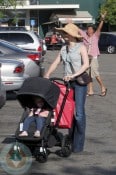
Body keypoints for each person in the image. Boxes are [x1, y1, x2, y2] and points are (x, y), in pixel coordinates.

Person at [44, 23, 89, 153]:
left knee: (79, 114)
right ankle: (72, 139)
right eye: (63, 33)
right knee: (68, 112)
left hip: (79, 83)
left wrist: (73, 75)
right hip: (68, 84)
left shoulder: (81, 48)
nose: (63, 35)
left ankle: (78, 146)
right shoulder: (63, 49)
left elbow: (86, 65)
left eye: (65, 33)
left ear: (72, 36)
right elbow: (56, 63)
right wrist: (47, 74)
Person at [78, 12, 107, 96]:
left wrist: (102, 19)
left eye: (90, 29)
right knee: (88, 75)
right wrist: (70, 23)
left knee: (95, 73)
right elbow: (78, 30)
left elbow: (99, 28)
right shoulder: (85, 36)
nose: (89, 30)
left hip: (93, 57)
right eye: (88, 29)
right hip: (86, 58)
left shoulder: (95, 36)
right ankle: (90, 91)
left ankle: (103, 87)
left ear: (93, 30)